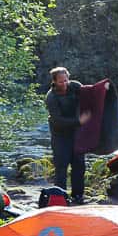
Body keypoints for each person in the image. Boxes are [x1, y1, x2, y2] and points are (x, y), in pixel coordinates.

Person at [44, 66, 89, 204]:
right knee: (61, 166)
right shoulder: (51, 97)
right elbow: (57, 121)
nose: (64, 84)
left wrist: (104, 88)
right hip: (60, 135)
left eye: (66, 80)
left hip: (76, 134)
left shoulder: (75, 86)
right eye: (61, 82)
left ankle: (78, 196)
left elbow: (91, 93)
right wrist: (78, 121)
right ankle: (60, 197)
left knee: (79, 165)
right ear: (54, 82)